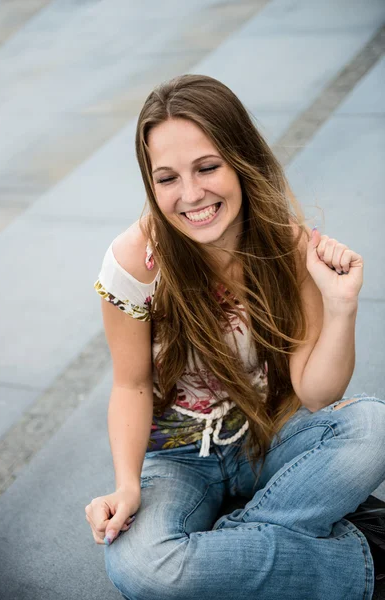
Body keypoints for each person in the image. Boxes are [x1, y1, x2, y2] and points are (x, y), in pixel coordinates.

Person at [85, 74, 385, 599]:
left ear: (241, 160)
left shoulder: (287, 247)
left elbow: (317, 393)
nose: (191, 194)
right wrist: (128, 485)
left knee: (375, 426)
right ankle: (357, 559)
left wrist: (341, 307)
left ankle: (230, 553)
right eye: (167, 178)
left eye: (207, 168)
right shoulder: (135, 263)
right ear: (150, 183)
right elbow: (130, 384)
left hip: (269, 441)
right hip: (178, 459)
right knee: (140, 567)